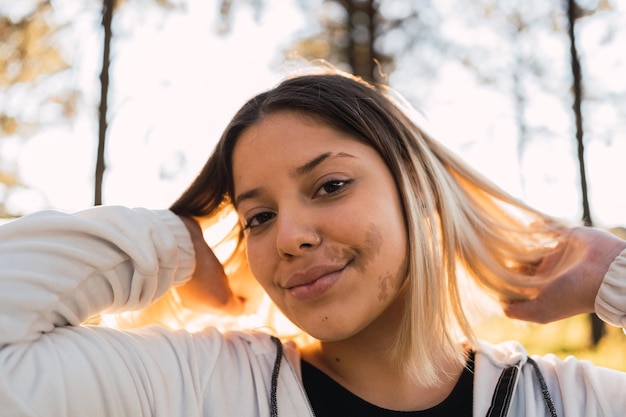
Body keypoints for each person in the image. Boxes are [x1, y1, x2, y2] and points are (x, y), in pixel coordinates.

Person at [1, 67, 625, 417]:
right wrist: (168, 241)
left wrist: (614, 274)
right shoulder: (192, 386)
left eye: (329, 185)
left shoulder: (569, 402)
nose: (290, 238)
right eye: (258, 217)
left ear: (420, 193)